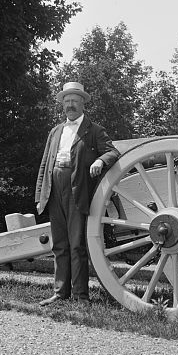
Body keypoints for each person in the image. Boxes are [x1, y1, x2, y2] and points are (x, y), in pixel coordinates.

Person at [35, 82, 120, 305]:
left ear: (83, 103)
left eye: (74, 100)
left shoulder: (94, 130)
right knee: (59, 244)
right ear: (62, 105)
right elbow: (45, 164)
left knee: (76, 245)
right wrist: (39, 196)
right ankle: (60, 292)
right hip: (54, 188)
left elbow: (112, 152)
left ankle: (81, 296)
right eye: (66, 101)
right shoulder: (55, 131)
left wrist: (101, 160)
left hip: (77, 189)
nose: (70, 105)